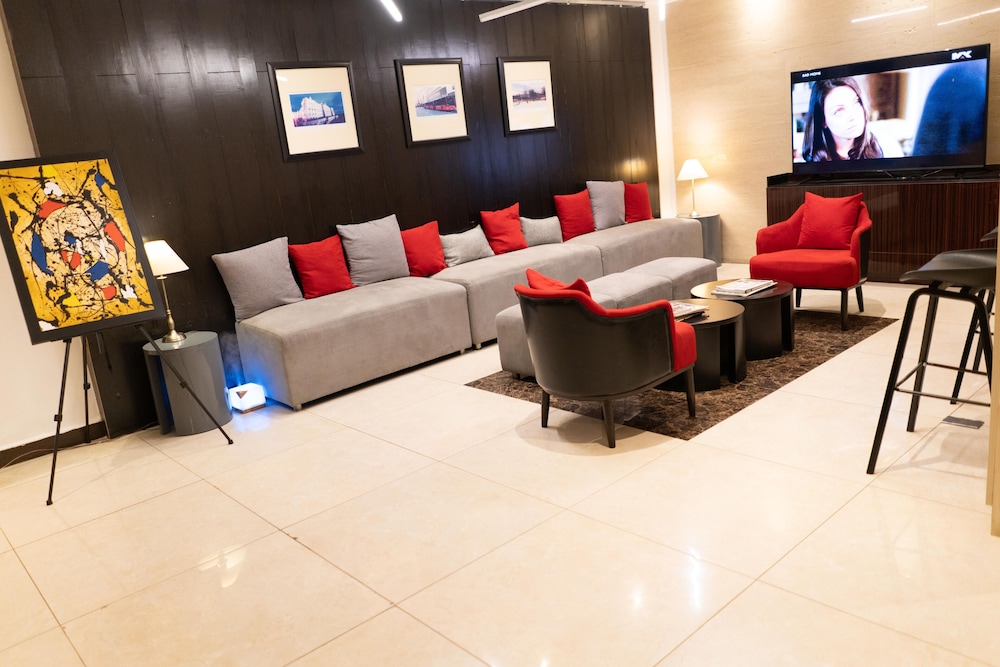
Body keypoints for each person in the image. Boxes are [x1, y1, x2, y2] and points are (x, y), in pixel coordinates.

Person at [801, 77, 883, 162]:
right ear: (823, 121)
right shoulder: (814, 162)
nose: (853, 116)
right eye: (839, 111)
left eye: (856, 103)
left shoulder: (875, 147)